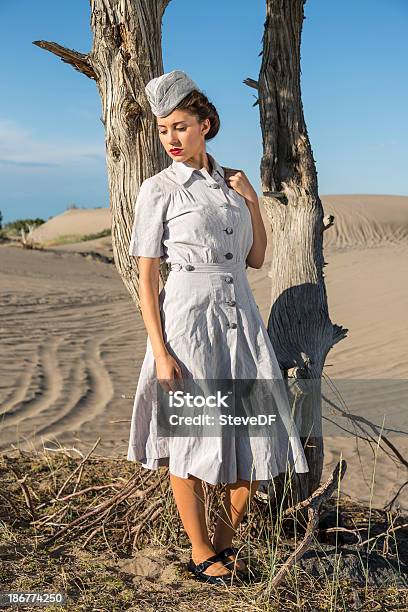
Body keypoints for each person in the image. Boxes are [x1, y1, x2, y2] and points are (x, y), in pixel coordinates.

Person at [127, 70, 309, 586]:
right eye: (163, 130)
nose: (171, 140)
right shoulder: (158, 189)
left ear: (205, 125)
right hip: (189, 320)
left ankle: (225, 545)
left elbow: (256, 257)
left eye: (180, 127)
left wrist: (251, 201)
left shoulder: (231, 182)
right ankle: (202, 550)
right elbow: (146, 275)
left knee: (251, 436)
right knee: (187, 437)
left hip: (241, 319)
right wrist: (160, 351)